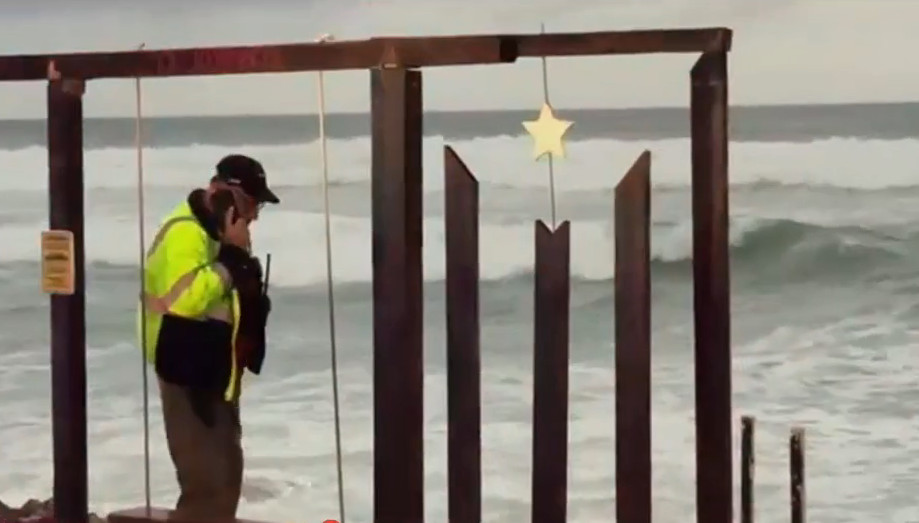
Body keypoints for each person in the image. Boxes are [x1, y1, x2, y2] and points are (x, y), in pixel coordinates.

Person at [138, 154, 278, 519]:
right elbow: (186, 300)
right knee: (207, 485)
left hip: (214, 371)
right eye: (252, 204)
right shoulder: (186, 233)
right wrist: (231, 258)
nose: (254, 216)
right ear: (227, 196)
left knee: (227, 476)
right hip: (184, 369)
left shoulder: (216, 234)